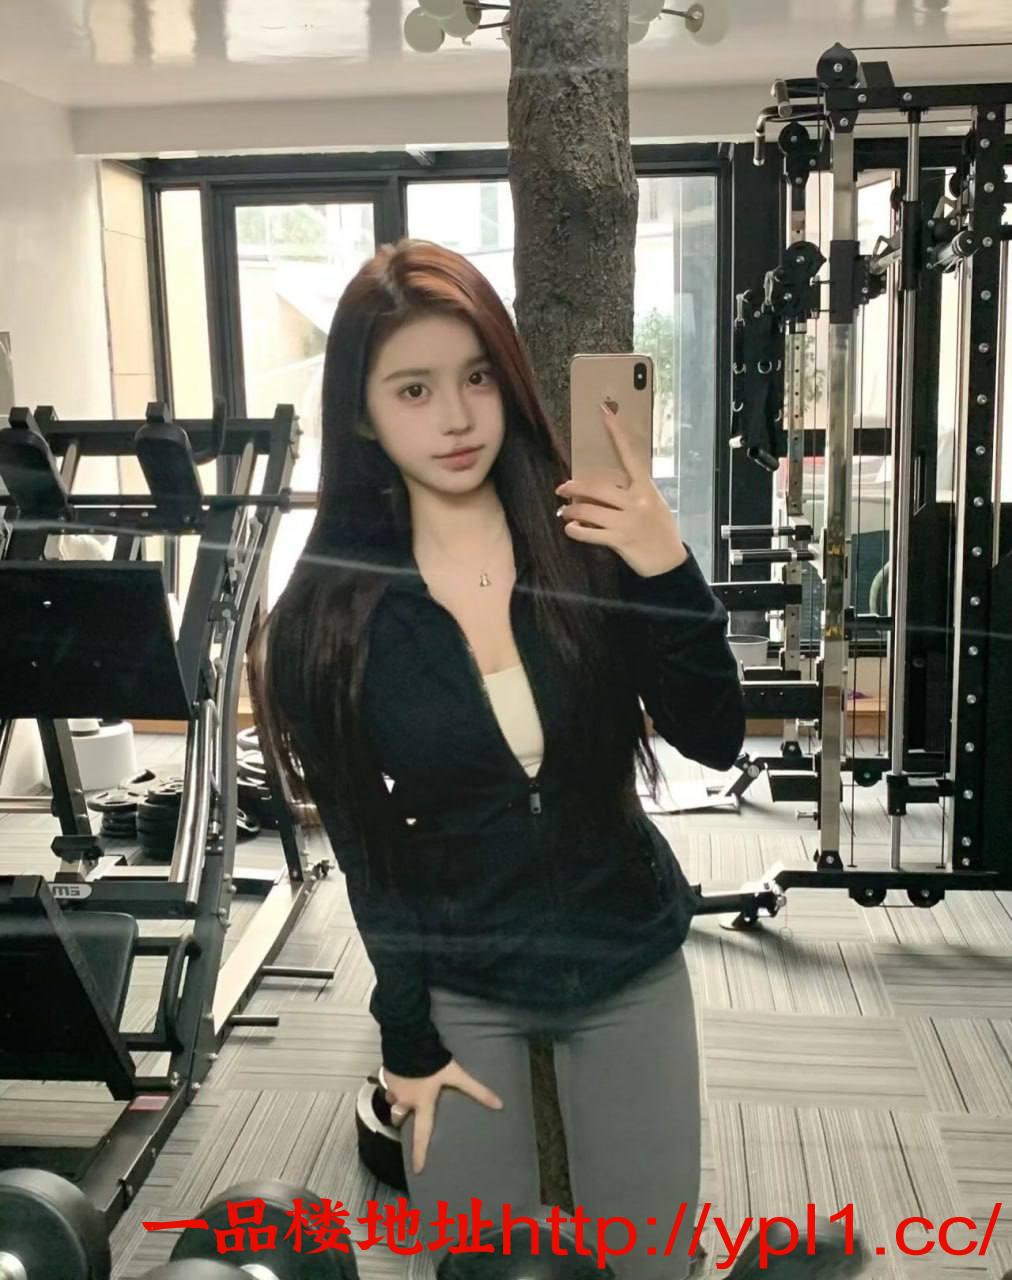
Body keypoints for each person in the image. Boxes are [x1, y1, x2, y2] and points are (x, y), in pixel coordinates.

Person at [248, 238, 746, 1279]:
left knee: (651, 1268)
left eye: (477, 377)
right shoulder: (329, 618)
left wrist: (667, 566)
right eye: (414, 389)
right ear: (361, 414)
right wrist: (404, 1034)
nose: (457, 417)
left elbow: (715, 735)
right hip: (463, 975)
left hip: (624, 952)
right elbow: (367, 852)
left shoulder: (588, 540)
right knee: (478, 1269)